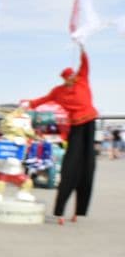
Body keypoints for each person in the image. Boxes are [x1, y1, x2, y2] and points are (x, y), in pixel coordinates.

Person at [24, 46, 98, 224]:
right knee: (70, 167)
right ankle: (60, 210)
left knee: (88, 167)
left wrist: (82, 47)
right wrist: (29, 104)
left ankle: (78, 211)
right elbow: (44, 99)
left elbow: (85, 63)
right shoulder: (58, 91)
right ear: (64, 79)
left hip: (90, 124)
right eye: (69, 77)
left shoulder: (82, 80)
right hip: (76, 128)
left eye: (73, 75)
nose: (72, 78)